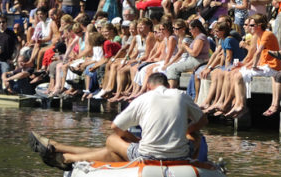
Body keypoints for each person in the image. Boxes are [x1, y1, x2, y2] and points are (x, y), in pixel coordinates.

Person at [30, 72, 207, 170]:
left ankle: (64, 154)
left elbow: (116, 126)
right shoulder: (181, 95)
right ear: (168, 85)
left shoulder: (144, 98)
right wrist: (187, 131)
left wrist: (134, 139)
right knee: (196, 136)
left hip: (147, 156)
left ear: (148, 86)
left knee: (112, 141)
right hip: (180, 156)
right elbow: (202, 120)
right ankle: (61, 151)